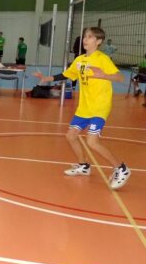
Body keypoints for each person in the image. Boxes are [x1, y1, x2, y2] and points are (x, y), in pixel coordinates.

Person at [33, 27, 130, 189]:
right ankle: (84, 166)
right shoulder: (79, 60)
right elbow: (67, 74)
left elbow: (120, 77)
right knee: (71, 136)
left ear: (98, 41)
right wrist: (46, 78)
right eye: (85, 36)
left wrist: (103, 75)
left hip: (99, 106)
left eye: (90, 37)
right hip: (84, 107)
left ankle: (121, 168)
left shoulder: (102, 59)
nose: (85, 39)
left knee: (92, 142)